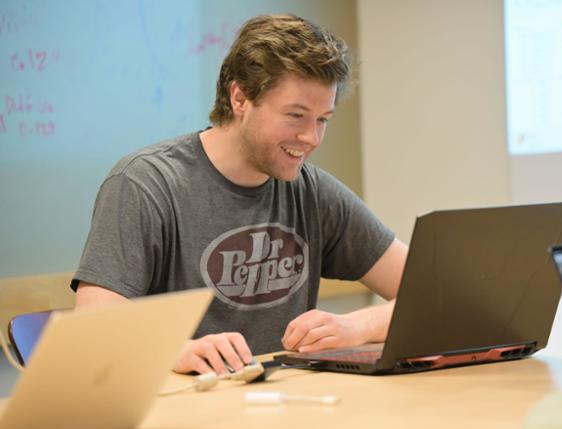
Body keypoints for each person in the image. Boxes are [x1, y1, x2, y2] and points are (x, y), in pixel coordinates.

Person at [71, 14, 407, 376]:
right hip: (182, 413)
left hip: (287, 408)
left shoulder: (311, 191)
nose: (311, 138)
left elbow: (438, 295)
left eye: (322, 119)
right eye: (296, 115)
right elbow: (93, 329)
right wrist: (177, 350)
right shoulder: (146, 184)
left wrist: (358, 326)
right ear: (240, 98)